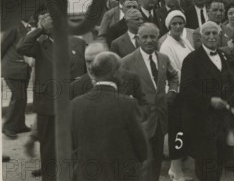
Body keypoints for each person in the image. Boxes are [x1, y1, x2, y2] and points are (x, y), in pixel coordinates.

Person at [16, 8, 87, 181]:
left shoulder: (78, 42)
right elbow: (21, 47)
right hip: (48, 105)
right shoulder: (40, 44)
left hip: (72, 103)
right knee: (48, 149)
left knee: (74, 146)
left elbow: (86, 69)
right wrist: (40, 29)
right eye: (49, 20)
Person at [71, 51, 148, 181]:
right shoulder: (127, 104)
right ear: (115, 72)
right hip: (122, 174)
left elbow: (72, 144)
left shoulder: (75, 103)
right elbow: (140, 145)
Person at [121, 23, 179, 181]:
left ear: (158, 39)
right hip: (140, 122)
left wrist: (172, 92)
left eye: (152, 37)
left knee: (156, 161)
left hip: (160, 120)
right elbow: (122, 92)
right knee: (141, 161)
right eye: (144, 37)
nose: (149, 40)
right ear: (138, 39)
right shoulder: (127, 62)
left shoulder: (163, 58)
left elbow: (173, 76)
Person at [180, 21, 234, 180]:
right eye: (207, 33)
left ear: (219, 35)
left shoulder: (223, 55)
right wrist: (209, 101)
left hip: (222, 120)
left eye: (214, 33)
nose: (211, 37)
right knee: (206, 162)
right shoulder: (192, 59)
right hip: (202, 120)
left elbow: (230, 81)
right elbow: (186, 89)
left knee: (219, 157)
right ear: (201, 36)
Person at [159, 11, 195, 181]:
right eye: (174, 24)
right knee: (177, 133)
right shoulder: (167, 45)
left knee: (183, 132)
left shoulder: (185, 40)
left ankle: (175, 168)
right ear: (169, 25)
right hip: (177, 95)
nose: (178, 26)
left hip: (187, 93)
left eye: (181, 23)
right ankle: (177, 171)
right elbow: (174, 73)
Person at [2, 16, 34, 139]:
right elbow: (2, 46)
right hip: (12, 68)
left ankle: (19, 125)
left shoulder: (26, 27)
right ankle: (8, 127)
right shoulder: (13, 26)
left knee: (22, 97)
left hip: (22, 69)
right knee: (18, 97)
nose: (31, 15)